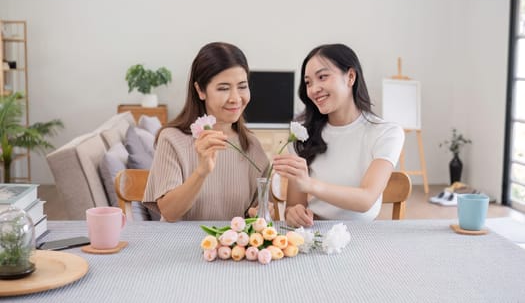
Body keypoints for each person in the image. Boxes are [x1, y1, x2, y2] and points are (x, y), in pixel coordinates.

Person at [272, 44, 405, 227]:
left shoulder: (386, 133)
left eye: (322, 77)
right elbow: (294, 206)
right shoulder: (302, 136)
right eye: (308, 82)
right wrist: (293, 213)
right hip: (314, 233)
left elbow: (366, 199)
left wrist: (310, 184)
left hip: (363, 236)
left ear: (350, 77)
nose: (313, 89)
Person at [143, 42, 269, 222]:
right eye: (223, 88)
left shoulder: (251, 145)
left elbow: (256, 211)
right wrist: (201, 171)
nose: (235, 98)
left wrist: (261, 211)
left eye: (242, 86)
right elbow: (169, 213)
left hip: (231, 248)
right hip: (178, 247)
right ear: (200, 90)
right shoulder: (172, 139)